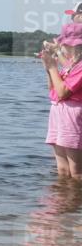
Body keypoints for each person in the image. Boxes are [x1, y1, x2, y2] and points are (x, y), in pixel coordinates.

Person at [40, 22, 82, 178]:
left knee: (76, 171)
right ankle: (64, 200)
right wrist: (48, 68)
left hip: (72, 116)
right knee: (63, 170)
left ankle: (76, 199)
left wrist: (52, 67)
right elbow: (53, 91)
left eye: (65, 44)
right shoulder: (71, 65)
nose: (63, 47)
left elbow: (62, 92)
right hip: (59, 114)